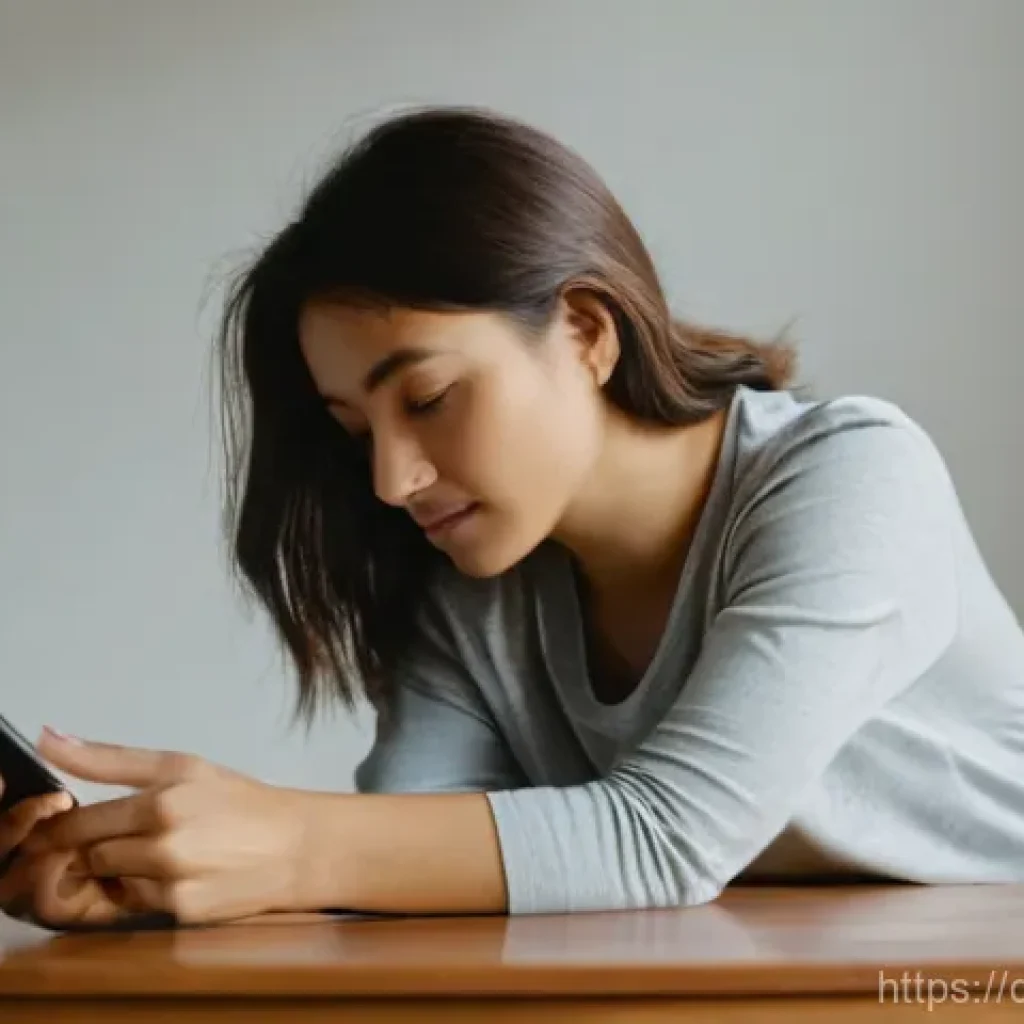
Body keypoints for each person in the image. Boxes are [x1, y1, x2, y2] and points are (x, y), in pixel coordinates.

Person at [2, 106, 1024, 930]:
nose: (391, 480)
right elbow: (410, 862)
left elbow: (666, 839)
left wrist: (282, 839)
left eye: (430, 398)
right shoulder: (472, 588)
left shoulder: (849, 475)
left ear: (584, 330)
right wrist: (149, 876)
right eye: (354, 430)